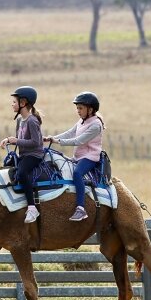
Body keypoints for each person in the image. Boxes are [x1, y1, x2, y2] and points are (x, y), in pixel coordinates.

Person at [44, 91, 105, 222]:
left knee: (77, 173)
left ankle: (81, 209)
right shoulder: (82, 121)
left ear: (90, 109)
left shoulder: (96, 125)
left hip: (90, 158)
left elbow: (79, 140)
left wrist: (57, 141)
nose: (78, 110)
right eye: (77, 108)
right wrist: (52, 138)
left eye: (81, 108)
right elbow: (70, 132)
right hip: (78, 157)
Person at [0, 86, 44, 223]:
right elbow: (20, 139)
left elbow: (36, 143)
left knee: (22, 173)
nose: (12, 104)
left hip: (34, 155)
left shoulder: (32, 121)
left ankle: (32, 208)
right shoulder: (20, 120)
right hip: (24, 154)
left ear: (23, 103)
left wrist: (16, 140)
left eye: (14, 101)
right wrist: (8, 140)